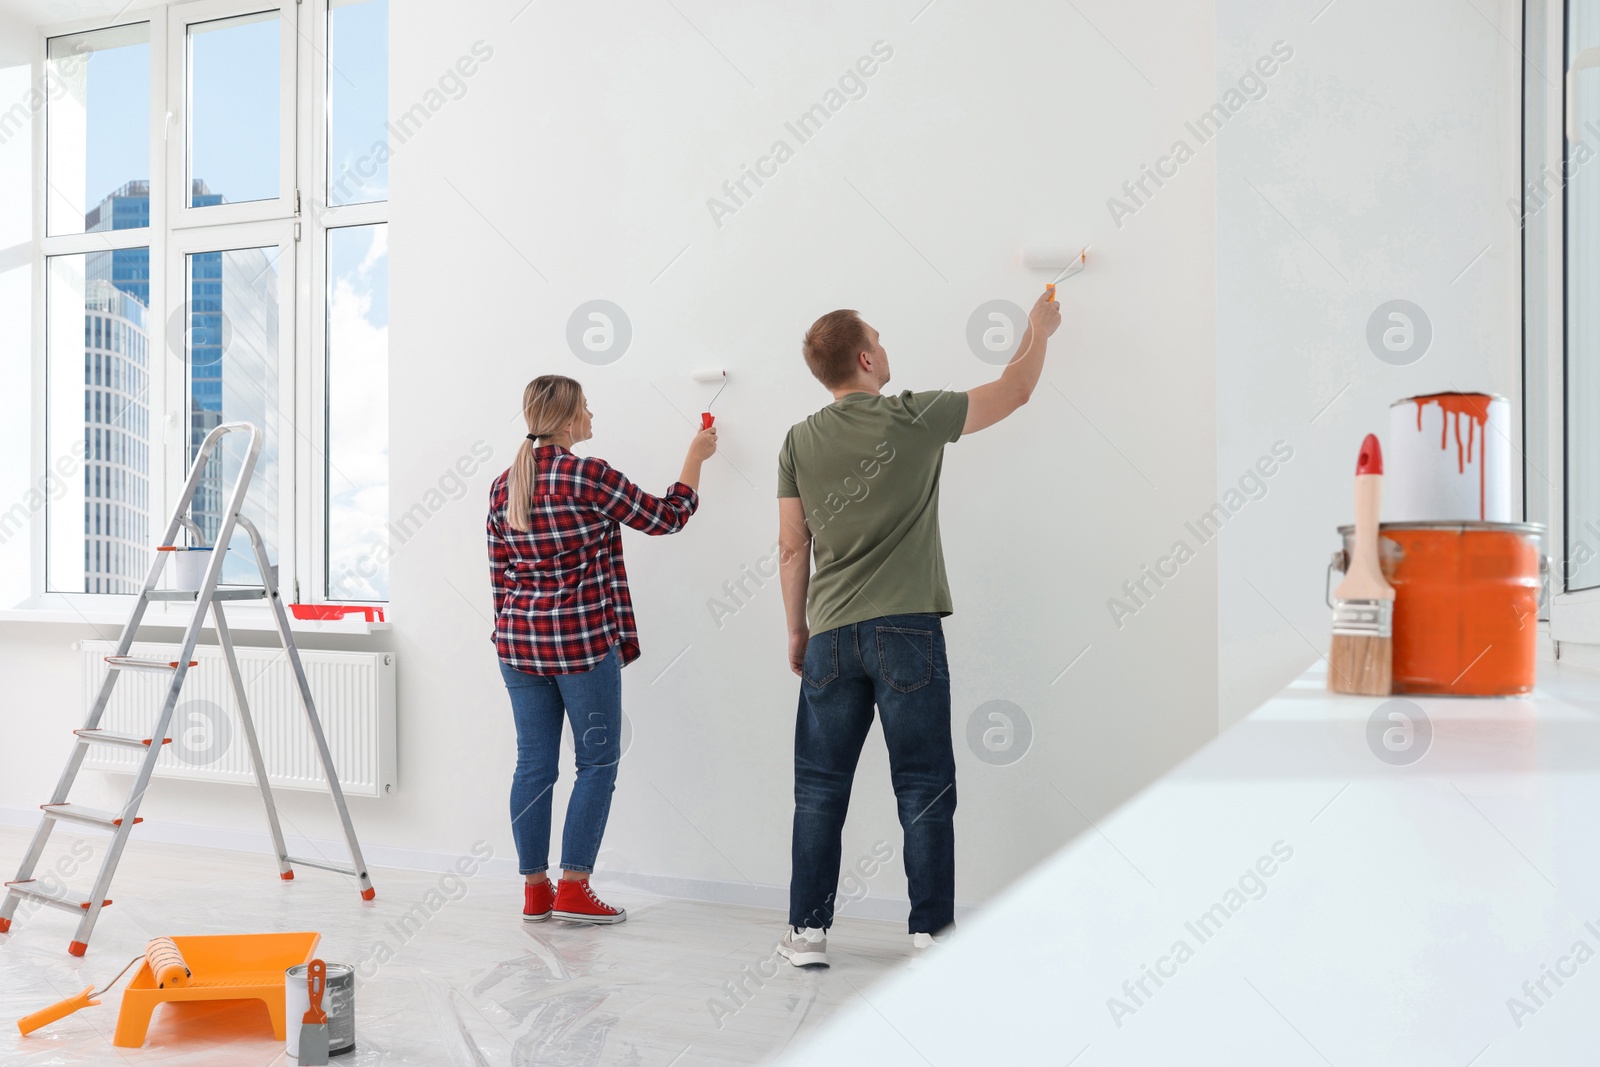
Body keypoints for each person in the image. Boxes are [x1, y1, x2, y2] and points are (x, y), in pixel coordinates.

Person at [774, 288, 1062, 965]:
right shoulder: (914, 416)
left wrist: (798, 629)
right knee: (923, 782)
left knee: (819, 787)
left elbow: (792, 547)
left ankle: (808, 933)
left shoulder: (797, 439)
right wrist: (1039, 327)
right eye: (881, 337)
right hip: (906, 631)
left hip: (831, 636)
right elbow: (1015, 390)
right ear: (867, 357)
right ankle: (931, 930)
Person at [488, 374, 717, 924]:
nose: (593, 416)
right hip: (583, 645)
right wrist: (696, 456)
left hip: (518, 646)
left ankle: (536, 892)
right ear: (567, 421)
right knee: (595, 763)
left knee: (533, 766)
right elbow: (667, 518)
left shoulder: (503, 484)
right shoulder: (587, 474)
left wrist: (511, 631)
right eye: (586, 409)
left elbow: (501, 576)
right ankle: (574, 887)